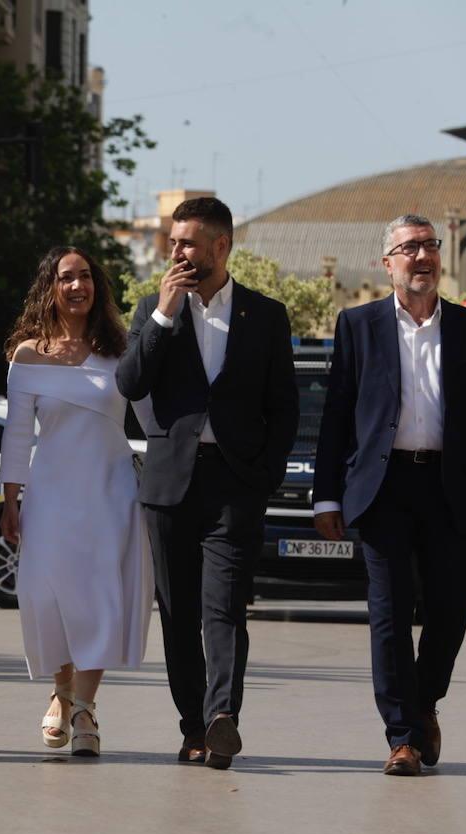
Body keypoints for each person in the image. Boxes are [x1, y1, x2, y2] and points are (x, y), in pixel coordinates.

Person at [312, 214, 466, 776]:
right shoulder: (359, 325)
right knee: (389, 616)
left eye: (430, 246)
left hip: (446, 486)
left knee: (450, 611)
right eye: (409, 248)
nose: (422, 257)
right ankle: (401, 737)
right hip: (383, 488)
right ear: (387, 262)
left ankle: (424, 705)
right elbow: (337, 418)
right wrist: (327, 497)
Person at [115, 197, 298, 770]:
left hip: (236, 484)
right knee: (177, 613)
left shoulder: (265, 316)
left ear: (221, 246)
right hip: (170, 487)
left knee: (224, 609)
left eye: (188, 242)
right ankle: (192, 727)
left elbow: (284, 407)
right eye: (173, 243)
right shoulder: (153, 309)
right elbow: (130, 381)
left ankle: (223, 718)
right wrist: (165, 317)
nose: (176, 252)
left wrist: (263, 475)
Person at [0, 246, 154, 757]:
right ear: (50, 287)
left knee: (99, 599)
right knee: (48, 598)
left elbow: (154, 415)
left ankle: (84, 708)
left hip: (111, 490)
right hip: (50, 494)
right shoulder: (27, 354)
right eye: (66, 277)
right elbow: (18, 436)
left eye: (85, 276)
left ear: (97, 286)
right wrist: (10, 499)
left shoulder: (121, 349)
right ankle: (61, 693)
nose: (77, 285)